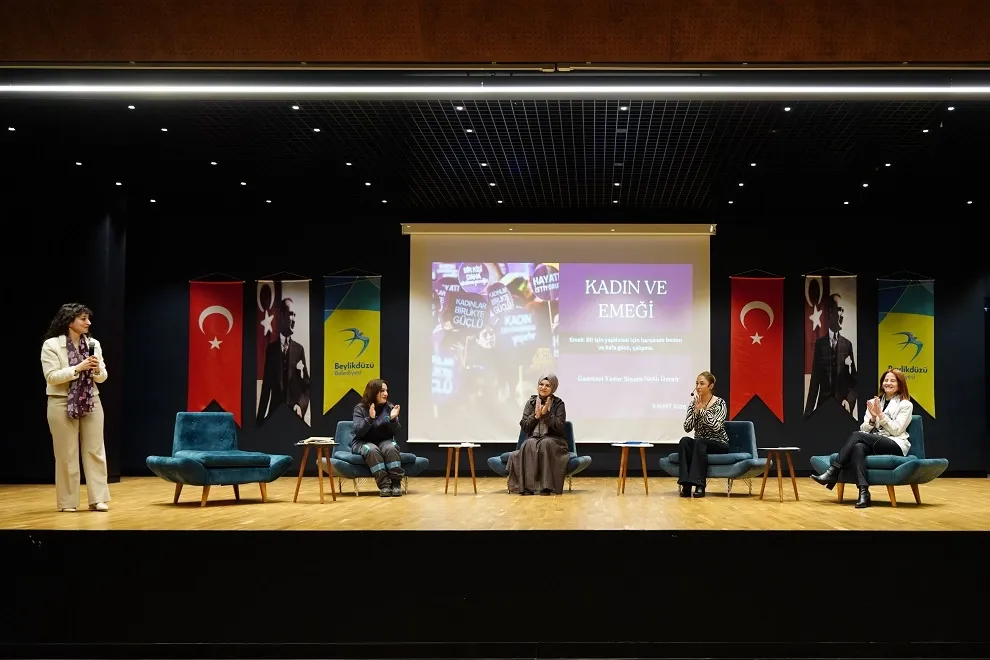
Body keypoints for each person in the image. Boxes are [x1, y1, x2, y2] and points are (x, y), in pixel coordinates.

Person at [40, 303, 110, 512]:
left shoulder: (93, 344)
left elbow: (103, 377)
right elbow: (51, 377)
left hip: (91, 399)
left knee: (95, 451)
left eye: (88, 318)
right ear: (69, 321)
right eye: (83, 319)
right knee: (66, 454)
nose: (88, 323)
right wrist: (78, 368)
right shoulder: (52, 345)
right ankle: (68, 502)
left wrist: (96, 369)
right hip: (61, 401)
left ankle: (98, 499)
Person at [811, 368, 913, 508]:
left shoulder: (905, 404)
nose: (888, 383)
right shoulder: (874, 402)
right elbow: (864, 430)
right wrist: (872, 418)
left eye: (892, 381)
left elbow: (896, 430)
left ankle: (833, 471)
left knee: (856, 435)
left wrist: (880, 415)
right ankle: (864, 493)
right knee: (858, 447)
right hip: (875, 441)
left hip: (895, 444)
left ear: (900, 384)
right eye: (886, 380)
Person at [507, 373, 569, 495]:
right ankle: (528, 487)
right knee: (528, 443)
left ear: (553, 388)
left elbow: (560, 427)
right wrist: (535, 416)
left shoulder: (558, 404)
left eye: (548, 385)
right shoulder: (530, 403)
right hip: (534, 439)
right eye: (541, 384)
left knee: (545, 443)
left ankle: (547, 487)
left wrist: (546, 414)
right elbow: (524, 426)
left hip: (555, 440)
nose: (543, 387)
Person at [257, 297, 311, 425]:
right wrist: (259, 423)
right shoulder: (271, 349)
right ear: (282, 315)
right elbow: (266, 387)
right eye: (291, 314)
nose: (294, 319)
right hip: (275, 416)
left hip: (295, 417)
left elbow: (306, 386)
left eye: (295, 315)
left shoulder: (299, 349)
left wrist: (300, 406)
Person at [677, 371, 730, 498]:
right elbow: (687, 428)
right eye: (697, 383)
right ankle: (686, 485)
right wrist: (695, 412)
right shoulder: (693, 403)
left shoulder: (720, 403)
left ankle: (699, 485)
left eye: (702, 384)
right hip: (699, 443)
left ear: (710, 386)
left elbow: (717, 427)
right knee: (684, 441)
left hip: (718, 442)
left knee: (700, 442)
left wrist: (702, 412)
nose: (698, 387)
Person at [805, 293, 857, 416]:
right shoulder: (820, 344)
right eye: (839, 309)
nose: (842, 315)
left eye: (843, 311)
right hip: (823, 407)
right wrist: (808, 414)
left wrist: (848, 401)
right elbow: (815, 380)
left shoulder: (847, 344)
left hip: (842, 407)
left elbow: (854, 380)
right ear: (830, 312)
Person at [351, 379, 405, 497]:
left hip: (384, 440)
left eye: (386, 391)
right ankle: (384, 485)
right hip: (362, 441)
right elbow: (358, 431)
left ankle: (396, 484)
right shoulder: (360, 408)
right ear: (373, 392)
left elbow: (397, 431)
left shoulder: (390, 407)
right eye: (382, 391)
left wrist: (393, 420)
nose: (386, 394)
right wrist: (370, 419)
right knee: (371, 450)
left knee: (391, 447)